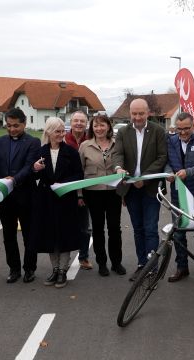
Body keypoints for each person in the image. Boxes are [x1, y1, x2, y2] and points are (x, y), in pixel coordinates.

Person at [112, 98, 167, 281]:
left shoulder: (158, 131)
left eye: (141, 113)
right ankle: (141, 264)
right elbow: (117, 153)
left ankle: (152, 268)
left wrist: (143, 178)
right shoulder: (123, 132)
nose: (137, 117)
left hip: (150, 187)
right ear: (130, 114)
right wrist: (118, 168)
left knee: (151, 228)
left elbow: (162, 157)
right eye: (134, 114)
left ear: (148, 113)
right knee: (138, 229)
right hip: (131, 189)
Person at [0, 108, 40, 284]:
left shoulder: (33, 142)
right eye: (8, 126)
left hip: (26, 195)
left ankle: (29, 269)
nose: (12, 129)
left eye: (16, 126)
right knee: (8, 235)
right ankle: (14, 269)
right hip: (5, 197)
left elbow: (29, 166)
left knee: (29, 234)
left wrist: (14, 179)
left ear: (24, 124)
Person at [31, 117, 84, 288]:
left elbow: (78, 174)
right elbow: (33, 175)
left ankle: (62, 270)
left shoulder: (71, 152)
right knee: (50, 235)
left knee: (65, 234)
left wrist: (64, 184)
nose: (61, 134)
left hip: (66, 198)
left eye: (63, 131)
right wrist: (34, 169)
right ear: (48, 132)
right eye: (57, 131)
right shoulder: (40, 152)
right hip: (45, 199)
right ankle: (54, 269)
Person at [165, 112, 194, 287]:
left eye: (186, 129)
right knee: (178, 234)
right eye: (179, 129)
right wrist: (169, 172)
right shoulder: (171, 140)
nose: (183, 133)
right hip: (177, 195)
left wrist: (188, 172)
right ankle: (182, 267)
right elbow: (167, 161)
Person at [80, 114, 125, 277]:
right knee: (98, 229)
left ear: (108, 127)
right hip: (93, 193)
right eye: (96, 126)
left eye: (102, 125)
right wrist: (79, 195)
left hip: (114, 192)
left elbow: (123, 165)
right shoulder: (85, 146)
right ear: (92, 128)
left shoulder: (117, 144)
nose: (99, 128)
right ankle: (102, 263)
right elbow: (80, 172)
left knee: (115, 228)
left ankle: (116, 262)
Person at [64, 111, 92, 270]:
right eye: (76, 121)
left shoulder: (91, 140)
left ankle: (83, 257)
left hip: (85, 189)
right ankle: (65, 259)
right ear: (71, 122)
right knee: (66, 226)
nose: (79, 124)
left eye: (82, 121)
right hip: (66, 189)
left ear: (86, 123)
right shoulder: (63, 139)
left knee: (84, 227)